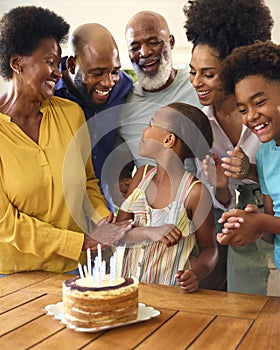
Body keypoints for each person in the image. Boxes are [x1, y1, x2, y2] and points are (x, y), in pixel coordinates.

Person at [0, 6, 129, 276]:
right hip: (11, 276)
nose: (57, 73)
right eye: (48, 62)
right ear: (16, 63)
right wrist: (81, 242)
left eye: (58, 64)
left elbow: (88, 184)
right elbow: (6, 223)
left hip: (74, 271)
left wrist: (104, 219)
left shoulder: (71, 115)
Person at [183, 0, 274, 294]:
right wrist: (221, 188)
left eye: (208, 74)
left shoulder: (267, 114)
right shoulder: (199, 125)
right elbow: (216, 198)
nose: (197, 82)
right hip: (232, 246)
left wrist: (249, 171)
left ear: (233, 69)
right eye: (192, 71)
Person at [117, 102, 218, 292]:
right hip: (128, 291)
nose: (144, 131)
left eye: (150, 124)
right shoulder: (141, 176)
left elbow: (210, 249)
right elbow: (117, 234)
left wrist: (195, 274)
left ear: (168, 140)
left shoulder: (195, 193)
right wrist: (150, 232)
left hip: (172, 296)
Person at [113, 10, 201, 205]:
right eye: (135, 47)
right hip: (150, 219)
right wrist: (120, 183)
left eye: (153, 42)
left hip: (202, 211)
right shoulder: (123, 103)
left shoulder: (198, 87)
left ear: (170, 42)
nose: (144, 53)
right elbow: (122, 168)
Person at [216, 40, 280, 296]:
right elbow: (269, 230)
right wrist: (247, 224)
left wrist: (261, 221)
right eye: (243, 109)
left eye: (259, 102)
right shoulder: (264, 154)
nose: (251, 116)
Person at [55, 23, 133, 211]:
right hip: (63, 212)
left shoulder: (123, 87)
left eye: (114, 71)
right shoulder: (49, 95)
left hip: (105, 207)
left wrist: (121, 175)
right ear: (72, 65)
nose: (108, 82)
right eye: (97, 73)